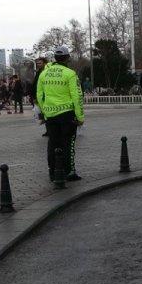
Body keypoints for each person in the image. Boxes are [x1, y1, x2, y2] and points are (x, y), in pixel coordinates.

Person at [37, 46, 84, 183]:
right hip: (67, 115)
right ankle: (69, 171)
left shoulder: (44, 74)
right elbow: (77, 96)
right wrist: (80, 117)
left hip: (50, 115)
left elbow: (40, 95)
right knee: (68, 143)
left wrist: (45, 112)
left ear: (55, 58)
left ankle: (53, 172)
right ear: (67, 58)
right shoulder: (70, 73)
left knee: (52, 143)